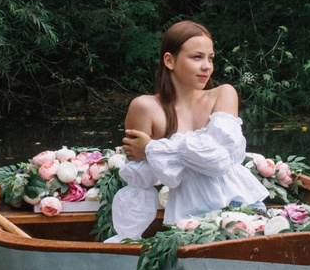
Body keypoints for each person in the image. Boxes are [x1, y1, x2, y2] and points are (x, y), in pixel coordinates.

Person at [107, 20, 272, 241]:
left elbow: (217, 161)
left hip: (243, 206)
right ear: (169, 60)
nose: (207, 66)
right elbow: (139, 184)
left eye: (210, 58)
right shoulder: (145, 108)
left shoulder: (223, 94)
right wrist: (129, 237)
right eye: (197, 57)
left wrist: (152, 148)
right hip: (190, 219)